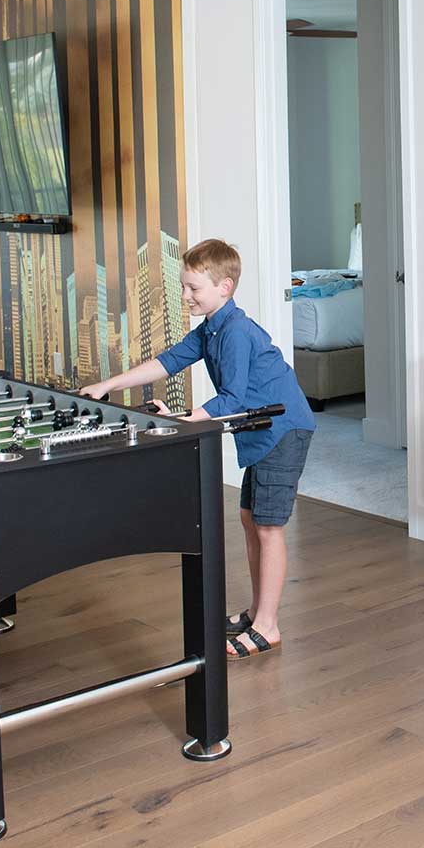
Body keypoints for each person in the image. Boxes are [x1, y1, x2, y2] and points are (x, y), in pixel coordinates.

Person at [81, 239, 315, 661]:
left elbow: (233, 397)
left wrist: (186, 417)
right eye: (184, 287)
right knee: (249, 517)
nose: (186, 296)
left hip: (284, 428)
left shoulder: (238, 332)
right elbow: (167, 362)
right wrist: (108, 385)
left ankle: (268, 625)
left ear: (224, 287)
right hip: (261, 431)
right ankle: (255, 611)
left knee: (268, 527)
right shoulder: (210, 329)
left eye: (194, 289)